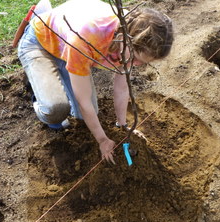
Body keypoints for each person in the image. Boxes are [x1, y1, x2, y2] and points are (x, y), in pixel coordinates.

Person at [17, 0, 174, 164]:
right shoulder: (86, 40)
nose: (136, 65)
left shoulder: (134, 32)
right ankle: (39, 94)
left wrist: (122, 125)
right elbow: (83, 101)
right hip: (39, 41)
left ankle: (50, 78)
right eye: (135, 59)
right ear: (125, 39)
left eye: (144, 62)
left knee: (80, 116)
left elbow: (121, 87)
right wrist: (102, 140)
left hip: (68, 46)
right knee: (56, 110)